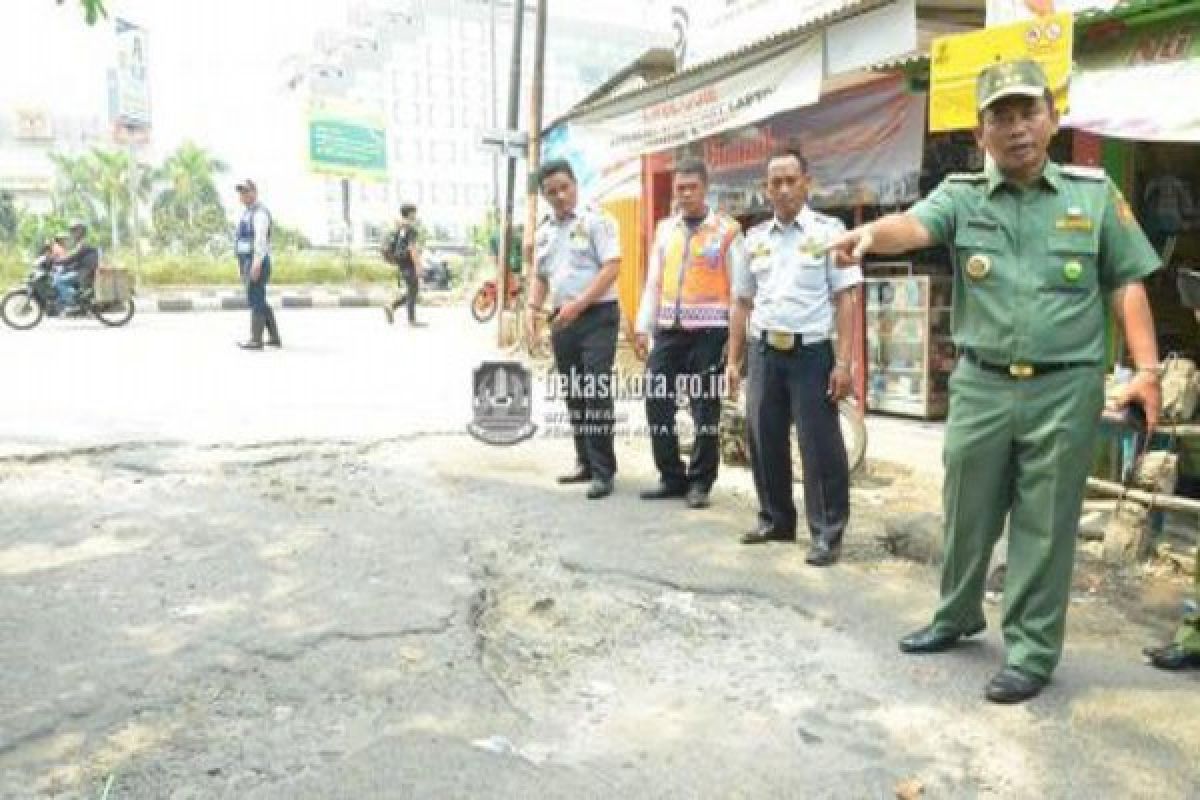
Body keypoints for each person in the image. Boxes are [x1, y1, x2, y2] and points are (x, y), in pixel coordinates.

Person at [827, 59, 1162, 703]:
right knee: (967, 511)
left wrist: (1147, 371)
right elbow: (916, 225)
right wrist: (871, 232)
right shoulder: (961, 195)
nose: (1016, 128)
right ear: (981, 132)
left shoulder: (1092, 197)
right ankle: (956, 615)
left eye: (1027, 112)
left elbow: (1127, 284)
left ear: (1053, 118)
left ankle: (1032, 652)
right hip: (980, 383)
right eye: (1000, 117)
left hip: (1066, 389)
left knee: (1045, 521)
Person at [725, 146, 859, 567]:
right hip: (764, 350)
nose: (782, 190)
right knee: (763, 438)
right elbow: (741, 304)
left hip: (811, 353)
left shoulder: (829, 232)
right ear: (765, 189)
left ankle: (827, 533)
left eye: (790, 181)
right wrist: (734, 361)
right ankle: (776, 519)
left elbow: (847, 298)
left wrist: (845, 362)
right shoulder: (754, 239)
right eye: (774, 183)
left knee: (819, 445)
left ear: (806, 183)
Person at [634, 157, 742, 509]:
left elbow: (741, 290)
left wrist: (735, 346)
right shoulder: (665, 230)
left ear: (705, 188)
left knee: (704, 409)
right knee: (656, 401)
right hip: (668, 331)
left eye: (692, 187)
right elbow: (653, 281)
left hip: (711, 332)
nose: (685, 194)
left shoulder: (727, 231)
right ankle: (671, 476)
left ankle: (700, 482)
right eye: (680, 187)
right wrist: (642, 326)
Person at [525, 158, 622, 499]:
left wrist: (578, 305)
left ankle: (603, 471)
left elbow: (611, 268)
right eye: (551, 192)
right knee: (575, 394)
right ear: (545, 195)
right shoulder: (544, 232)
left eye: (564, 188)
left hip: (598, 316)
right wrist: (533, 311)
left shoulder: (598, 220)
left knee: (595, 392)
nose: (560, 196)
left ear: (575, 185)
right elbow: (540, 276)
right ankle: (584, 462)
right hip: (562, 319)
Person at [234, 179, 281, 350]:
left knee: (255, 300)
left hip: (256, 261)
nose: (243, 195)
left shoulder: (260, 213)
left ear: (255, 192)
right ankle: (275, 337)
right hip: (248, 260)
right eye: (241, 192)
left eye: (246, 191)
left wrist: (256, 264)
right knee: (259, 298)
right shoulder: (248, 213)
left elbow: (260, 241)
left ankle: (256, 340)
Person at [382, 204, 424, 327]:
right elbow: (412, 248)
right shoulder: (410, 229)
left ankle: (391, 306)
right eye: (414, 212)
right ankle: (411, 320)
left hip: (401, 261)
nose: (416, 215)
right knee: (413, 291)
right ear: (410, 213)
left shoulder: (401, 228)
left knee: (412, 291)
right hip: (409, 262)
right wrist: (418, 266)